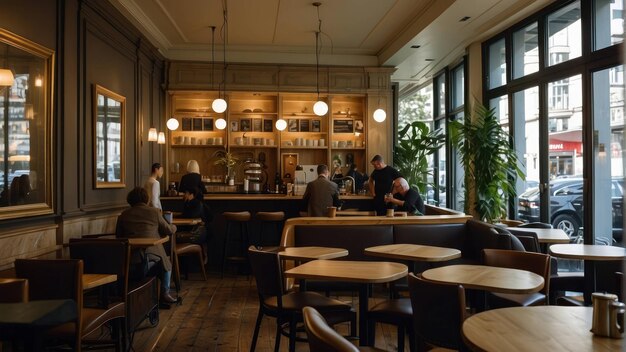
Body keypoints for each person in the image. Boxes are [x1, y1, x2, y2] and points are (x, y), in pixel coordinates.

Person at [115, 187, 178, 304]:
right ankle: (165, 292)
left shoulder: (124, 214)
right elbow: (168, 229)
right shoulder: (154, 212)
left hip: (129, 257)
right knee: (166, 263)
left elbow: (118, 236)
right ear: (146, 199)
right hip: (150, 254)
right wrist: (174, 226)